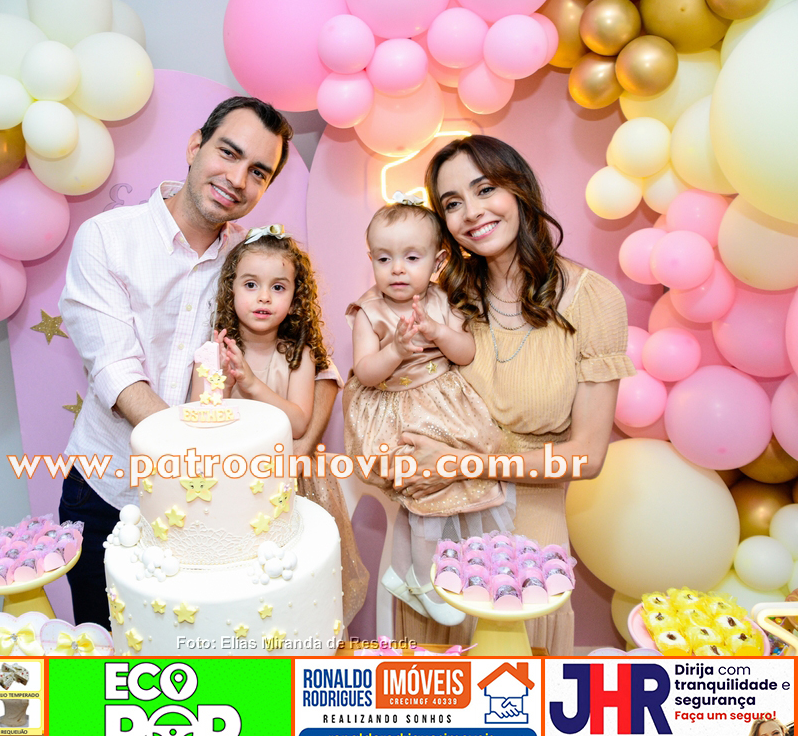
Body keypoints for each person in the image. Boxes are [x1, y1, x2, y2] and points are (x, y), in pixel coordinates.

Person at [58, 97, 340, 628]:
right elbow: (117, 373)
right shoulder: (107, 238)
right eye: (228, 153)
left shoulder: (253, 262)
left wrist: (296, 450)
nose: (237, 179)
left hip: (217, 508)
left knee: (208, 647)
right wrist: (193, 461)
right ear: (195, 146)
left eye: (258, 172)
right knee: (105, 651)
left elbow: (320, 370)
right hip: (109, 487)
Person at [394, 135, 635, 655]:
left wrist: (465, 464)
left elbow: (588, 456)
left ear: (519, 188)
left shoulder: (593, 300)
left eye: (485, 189)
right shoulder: (444, 297)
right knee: (433, 688)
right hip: (436, 521)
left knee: (516, 686)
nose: (471, 213)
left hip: (527, 541)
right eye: (452, 203)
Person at [342, 198, 515, 625]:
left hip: (443, 402)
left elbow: (465, 352)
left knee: (456, 479)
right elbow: (366, 372)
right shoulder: (369, 311)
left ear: (437, 262)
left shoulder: (442, 301)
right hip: (395, 408)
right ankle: (423, 578)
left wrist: (438, 331)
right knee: (423, 489)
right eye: (384, 259)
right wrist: (396, 349)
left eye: (411, 258)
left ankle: (412, 571)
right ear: (371, 259)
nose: (397, 269)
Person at [194, 226, 370, 624]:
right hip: (231, 484)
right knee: (243, 590)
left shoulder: (297, 354)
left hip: (290, 486)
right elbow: (199, 422)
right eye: (251, 284)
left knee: (292, 588)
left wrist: (252, 384)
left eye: (278, 287)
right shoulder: (212, 353)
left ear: (294, 299)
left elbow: (299, 422)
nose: (263, 297)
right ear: (231, 290)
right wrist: (221, 381)